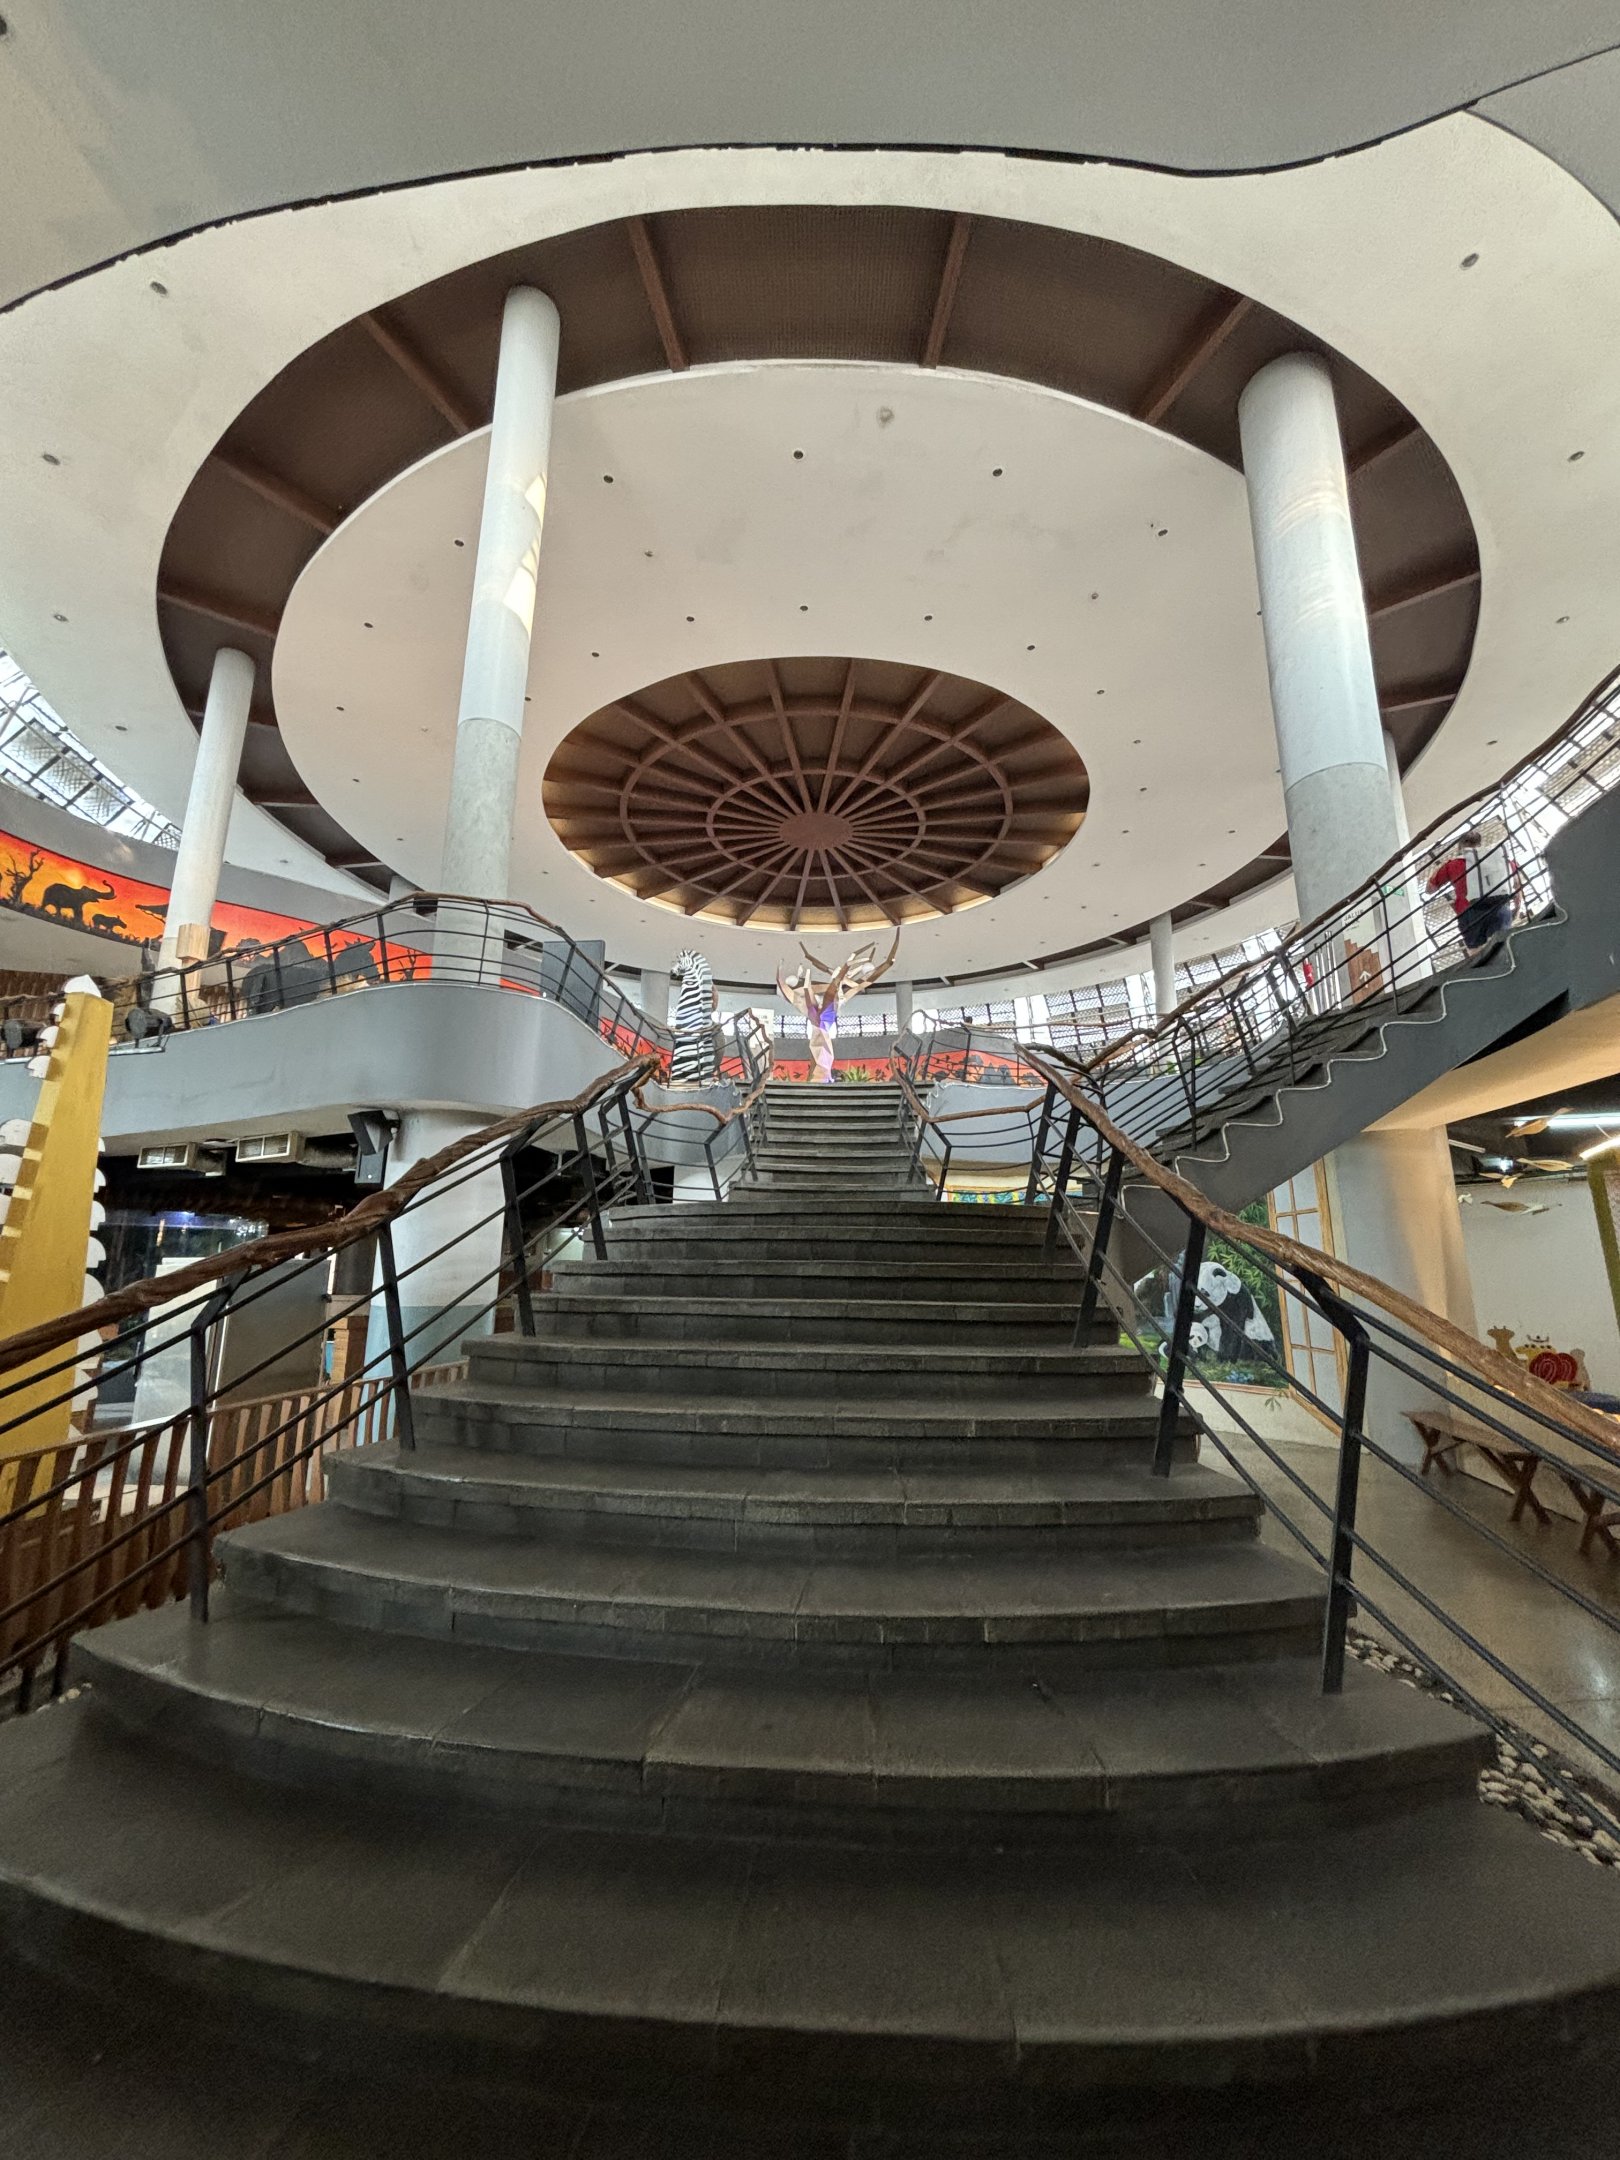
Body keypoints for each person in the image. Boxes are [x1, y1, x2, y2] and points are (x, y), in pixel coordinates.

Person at [1424, 823, 1518, 961]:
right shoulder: (1499, 859)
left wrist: (1440, 868)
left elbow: (1430, 889)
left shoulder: (1453, 864)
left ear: (1460, 846)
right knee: (1503, 949)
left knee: (1477, 956)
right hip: (1500, 907)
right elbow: (1516, 884)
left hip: (1469, 913)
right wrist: (1517, 906)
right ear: (1480, 843)